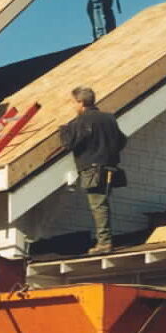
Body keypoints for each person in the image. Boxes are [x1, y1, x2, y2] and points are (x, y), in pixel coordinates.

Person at [59, 86, 126, 254]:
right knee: (103, 203)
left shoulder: (79, 122)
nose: (73, 107)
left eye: (74, 103)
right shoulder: (109, 119)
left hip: (92, 169)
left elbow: (69, 144)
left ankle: (104, 243)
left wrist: (63, 130)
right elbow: (122, 140)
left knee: (98, 205)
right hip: (110, 168)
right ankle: (105, 240)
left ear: (81, 102)